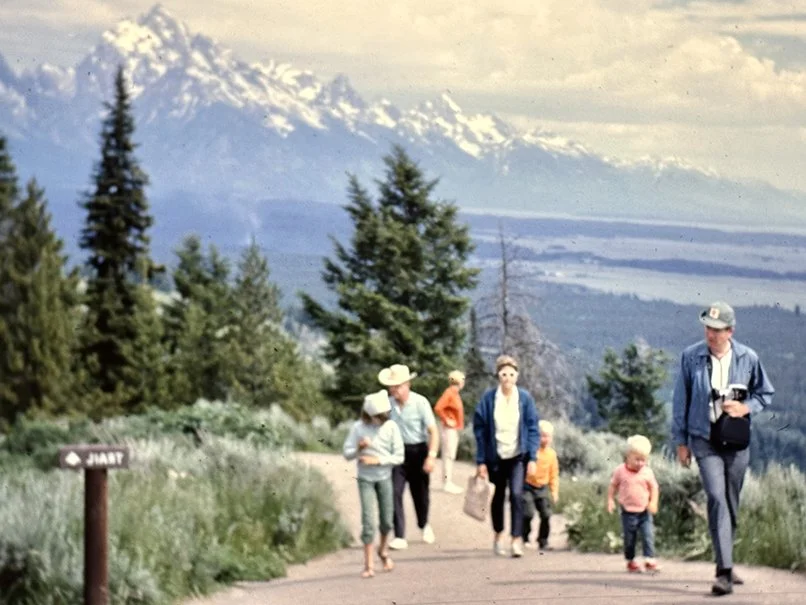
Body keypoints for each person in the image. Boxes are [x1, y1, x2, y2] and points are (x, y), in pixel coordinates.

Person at [671, 301, 774, 596]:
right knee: (716, 498)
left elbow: (764, 392)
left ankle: (725, 557)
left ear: (730, 331)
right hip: (704, 439)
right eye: (707, 327)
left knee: (730, 503)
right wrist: (681, 442)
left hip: (736, 442)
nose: (711, 334)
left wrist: (745, 407)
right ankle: (723, 573)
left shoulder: (748, 358)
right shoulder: (691, 357)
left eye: (717, 329)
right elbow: (681, 400)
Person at [473, 355, 540, 558]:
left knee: (517, 495)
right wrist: (481, 461)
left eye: (511, 374)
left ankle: (516, 539)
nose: (507, 378)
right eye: (503, 374)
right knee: (498, 496)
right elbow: (480, 431)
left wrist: (533, 458)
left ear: (517, 376)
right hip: (496, 456)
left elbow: (533, 427)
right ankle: (498, 534)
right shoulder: (489, 399)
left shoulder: (525, 399)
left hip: (517, 456)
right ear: (498, 375)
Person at [342, 389, 405, 578]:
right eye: (378, 416)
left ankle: (383, 550)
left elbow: (399, 456)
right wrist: (358, 449)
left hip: (384, 476)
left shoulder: (391, 427)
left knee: (386, 520)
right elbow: (346, 453)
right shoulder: (358, 428)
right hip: (365, 479)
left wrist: (378, 460)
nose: (381, 420)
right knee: (368, 521)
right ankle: (368, 564)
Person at [379, 364, 440, 550]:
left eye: (397, 386)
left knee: (420, 494)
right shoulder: (387, 405)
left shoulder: (420, 403)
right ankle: (399, 535)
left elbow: (433, 431)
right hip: (396, 453)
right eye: (391, 386)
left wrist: (431, 456)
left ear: (407, 385)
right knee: (394, 492)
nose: (393, 390)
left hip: (418, 451)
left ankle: (424, 524)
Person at [607, 434, 660, 573]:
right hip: (628, 511)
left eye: (644, 460)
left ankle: (649, 559)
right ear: (628, 456)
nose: (640, 463)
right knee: (630, 538)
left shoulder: (647, 472)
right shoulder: (620, 471)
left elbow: (654, 488)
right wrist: (610, 500)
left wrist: (653, 502)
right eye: (637, 459)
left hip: (644, 511)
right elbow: (613, 485)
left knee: (648, 535)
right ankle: (631, 561)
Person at [523, 419, 559, 552]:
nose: (545, 439)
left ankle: (543, 541)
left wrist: (554, 491)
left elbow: (554, 474)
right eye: (542, 436)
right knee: (528, 513)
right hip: (527, 485)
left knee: (546, 514)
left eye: (548, 436)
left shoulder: (551, 454)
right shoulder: (531, 452)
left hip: (542, 487)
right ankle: (524, 537)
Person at [433, 370, 466, 494]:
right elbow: (438, 407)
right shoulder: (450, 393)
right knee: (448, 455)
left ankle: (449, 481)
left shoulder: (455, 394)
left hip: (454, 429)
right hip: (448, 429)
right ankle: (446, 482)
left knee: (451, 455)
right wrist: (447, 419)